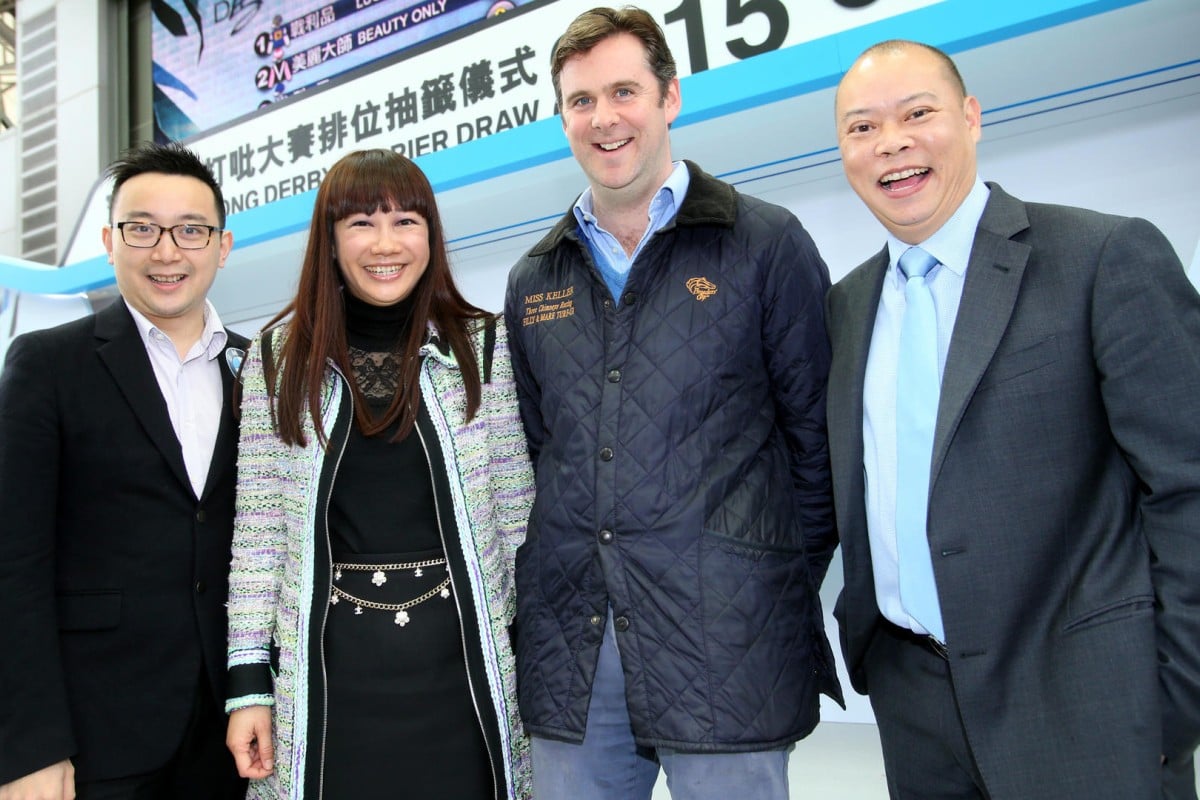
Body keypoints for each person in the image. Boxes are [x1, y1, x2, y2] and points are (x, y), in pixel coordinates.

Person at [826, 39, 1200, 800]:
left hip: (1089, 703)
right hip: (915, 706)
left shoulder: (1101, 257)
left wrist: (1171, 700)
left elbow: (1188, 487)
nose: (890, 142)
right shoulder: (844, 307)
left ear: (971, 117)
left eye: (917, 114)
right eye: (861, 128)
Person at [503, 8, 841, 799]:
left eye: (624, 91)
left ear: (669, 98)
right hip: (575, 652)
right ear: (562, 118)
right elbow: (540, 450)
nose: (604, 118)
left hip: (726, 643)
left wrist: (749, 581)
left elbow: (817, 448)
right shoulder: (534, 281)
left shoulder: (765, 242)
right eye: (581, 101)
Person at [224, 148, 533, 800]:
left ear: (431, 235)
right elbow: (258, 534)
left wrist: (537, 660)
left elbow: (517, 514)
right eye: (361, 223)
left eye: (406, 222)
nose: (385, 244)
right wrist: (248, 685)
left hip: (464, 675)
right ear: (330, 242)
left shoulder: (484, 345)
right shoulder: (278, 359)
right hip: (330, 684)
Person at [0, 142, 248, 799]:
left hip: (234, 735)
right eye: (143, 229)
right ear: (111, 241)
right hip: (94, 739)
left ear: (222, 246)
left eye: (192, 230)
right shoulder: (49, 365)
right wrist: (28, 747)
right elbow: (13, 563)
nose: (167, 252)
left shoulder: (264, 369)